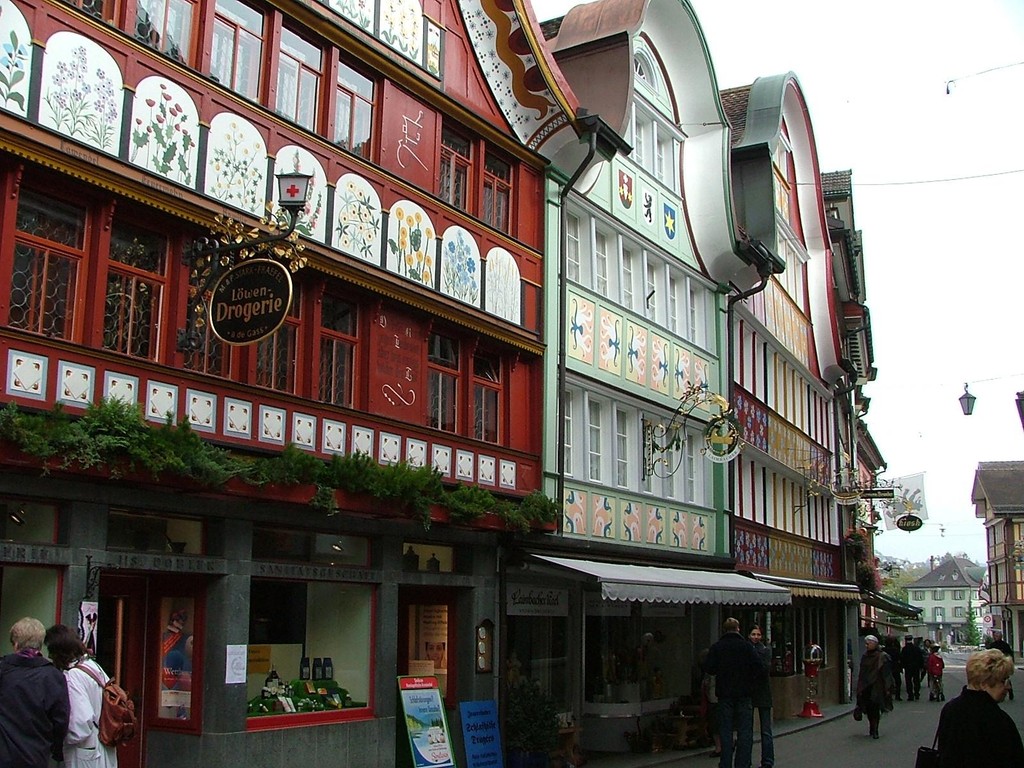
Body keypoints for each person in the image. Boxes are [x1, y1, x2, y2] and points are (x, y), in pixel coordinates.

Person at [44, 624, 118, 768]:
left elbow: (80, 724)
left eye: (51, 651)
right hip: (104, 744)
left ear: (59, 652)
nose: (49, 656)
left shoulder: (73, 676)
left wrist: (60, 740)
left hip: (86, 752)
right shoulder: (93, 666)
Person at [0, 617, 70, 768]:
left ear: (16, 644)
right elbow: (60, 720)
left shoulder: (3, 670)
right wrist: (56, 749)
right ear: (40, 645)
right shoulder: (53, 676)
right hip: (36, 756)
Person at [936, 648, 1024, 767]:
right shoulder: (997, 720)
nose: (1008, 687)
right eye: (1003, 681)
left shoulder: (950, 709)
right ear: (983, 684)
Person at [705, 617, 764, 768]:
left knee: (725, 730)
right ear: (738, 629)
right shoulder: (746, 647)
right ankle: (742, 763)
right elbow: (759, 667)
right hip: (744, 694)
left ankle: (725, 763)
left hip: (724, 694)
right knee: (745, 731)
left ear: (724, 630)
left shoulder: (717, 647)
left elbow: (710, 668)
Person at [855, 635, 893, 739]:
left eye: (868, 644)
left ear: (875, 644)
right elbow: (862, 672)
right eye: (866, 644)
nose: (866, 646)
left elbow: (887, 673)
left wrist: (888, 687)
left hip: (877, 686)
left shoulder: (882, 656)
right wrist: (859, 686)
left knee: (875, 707)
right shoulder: (865, 656)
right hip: (866, 686)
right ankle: (872, 725)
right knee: (868, 708)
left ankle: (875, 729)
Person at [748, 625, 773, 768]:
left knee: (766, 730)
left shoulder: (765, 650)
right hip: (751, 692)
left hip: (763, 692)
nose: (756, 637)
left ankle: (767, 761)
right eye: (753, 634)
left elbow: (764, 668)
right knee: (747, 729)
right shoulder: (749, 650)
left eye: (758, 634)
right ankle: (746, 760)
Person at [986, 628, 1014, 701]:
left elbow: (1010, 654)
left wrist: (1010, 663)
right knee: (996, 678)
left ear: (1000, 637)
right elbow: (988, 654)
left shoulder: (1005, 645)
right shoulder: (992, 645)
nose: (996, 637)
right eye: (995, 636)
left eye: (998, 636)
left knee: (1004, 678)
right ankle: (997, 692)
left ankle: (1009, 689)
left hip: (1003, 664)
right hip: (995, 664)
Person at [899, 634, 925, 701]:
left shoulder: (904, 649)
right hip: (916, 667)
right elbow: (920, 658)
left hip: (908, 667)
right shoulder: (916, 648)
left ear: (905, 640)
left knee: (908, 681)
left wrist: (902, 666)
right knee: (916, 680)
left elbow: (902, 659)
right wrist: (921, 666)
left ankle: (910, 695)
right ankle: (916, 693)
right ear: (912, 640)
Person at [882, 632, 903, 700]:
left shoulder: (883, 650)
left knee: (886, 682)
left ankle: (887, 695)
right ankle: (897, 695)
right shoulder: (895, 650)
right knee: (898, 682)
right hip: (895, 667)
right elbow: (899, 658)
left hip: (886, 668)